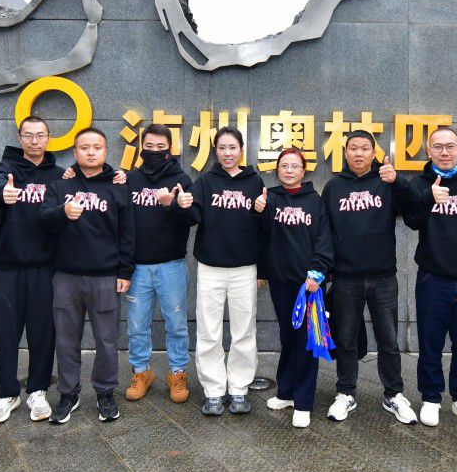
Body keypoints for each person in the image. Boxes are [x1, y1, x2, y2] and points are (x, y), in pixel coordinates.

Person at [320, 131, 418, 425]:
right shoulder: (334, 187)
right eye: (353, 148)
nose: (359, 153)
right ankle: (345, 392)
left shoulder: (386, 182)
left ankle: (394, 393)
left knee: (388, 339)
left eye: (365, 148)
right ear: (345, 153)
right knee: (346, 338)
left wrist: (398, 180)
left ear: (374, 153)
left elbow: (415, 207)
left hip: (383, 277)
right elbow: (323, 231)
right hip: (345, 278)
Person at [38, 127, 135, 425]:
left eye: (97, 147)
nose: (91, 152)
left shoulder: (118, 186)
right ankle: (69, 393)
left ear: (105, 151)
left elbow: (127, 233)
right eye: (84, 147)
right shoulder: (60, 185)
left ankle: (105, 392)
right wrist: (62, 212)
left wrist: (125, 271)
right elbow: (43, 220)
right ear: (75, 152)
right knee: (66, 340)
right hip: (66, 277)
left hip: (106, 277)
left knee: (107, 340)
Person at [403, 126, 457, 430]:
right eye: (438, 147)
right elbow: (412, 221)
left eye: (450, 146)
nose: (444, 152)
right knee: (430, 342)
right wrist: (429, 198)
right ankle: (430, 397)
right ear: (428, 151)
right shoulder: (419, 184)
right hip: (433, 279)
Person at [177, 126, 265, 416]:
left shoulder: (254, 181)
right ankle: (214, 391)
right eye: (222, 148)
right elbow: (192, 216)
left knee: (244, 330)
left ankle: (239, 388)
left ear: (242, 150)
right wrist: (182, 205)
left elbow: (262, 224)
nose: (227, 153)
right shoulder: (205, 181)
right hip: (210, 267)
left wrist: (261, 210)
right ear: (215, 151)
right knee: (209, 330)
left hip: (244, 267)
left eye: (232, 147)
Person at [0, 116, 62, 424]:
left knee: (43, 332)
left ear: (48, 138)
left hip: (45, 268)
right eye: (28, 135)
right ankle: (6, 393)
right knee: (6, 333)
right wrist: (3, 194)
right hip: (6, 266)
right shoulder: (7, 169)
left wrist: (117, 178)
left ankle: (38, 391)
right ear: (20, 138)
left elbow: (87, 184)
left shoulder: (58, 175)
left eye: (40, 135)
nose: (34, 141)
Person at [256, 147, 334, 428]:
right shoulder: (271, 198)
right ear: (277, 170)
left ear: (304, 171)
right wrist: (259, 211)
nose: (289, 170)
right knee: (288, 336)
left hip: (307, 284)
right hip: (280, 281)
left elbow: (325, 240)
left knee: (305, 341)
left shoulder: (315, 200)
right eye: (284, 166)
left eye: (294, 166)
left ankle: (303, 402)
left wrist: (317, 273)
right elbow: (261, 236)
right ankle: (286, 392)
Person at [123, 124, 193, 404]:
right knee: (136, 325)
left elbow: (191, 219)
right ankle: (141, 372)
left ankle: (177, 372)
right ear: (142, 147)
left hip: (171, 265)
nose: (154, 151)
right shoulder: (130, 179)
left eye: (160, 147)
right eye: (149, 146)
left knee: (176, 324)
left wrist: (170, 204)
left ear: (169, 150)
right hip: (137, 268)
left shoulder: (181, 179)